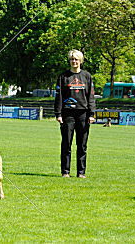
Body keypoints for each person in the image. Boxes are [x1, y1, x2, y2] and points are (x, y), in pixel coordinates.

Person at [54, 49, 96, 179]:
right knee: (66, 144)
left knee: (82, 145)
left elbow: (91, 96)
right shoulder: (63, 77)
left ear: (80, 61)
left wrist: (91, 114)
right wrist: (58, 113)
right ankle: (65, 172)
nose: (74, 61)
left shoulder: (87, 76)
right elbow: (59, 96)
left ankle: (81, 172)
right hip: (67, 114)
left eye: (76, 59)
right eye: (72, 59)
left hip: (83, 114)